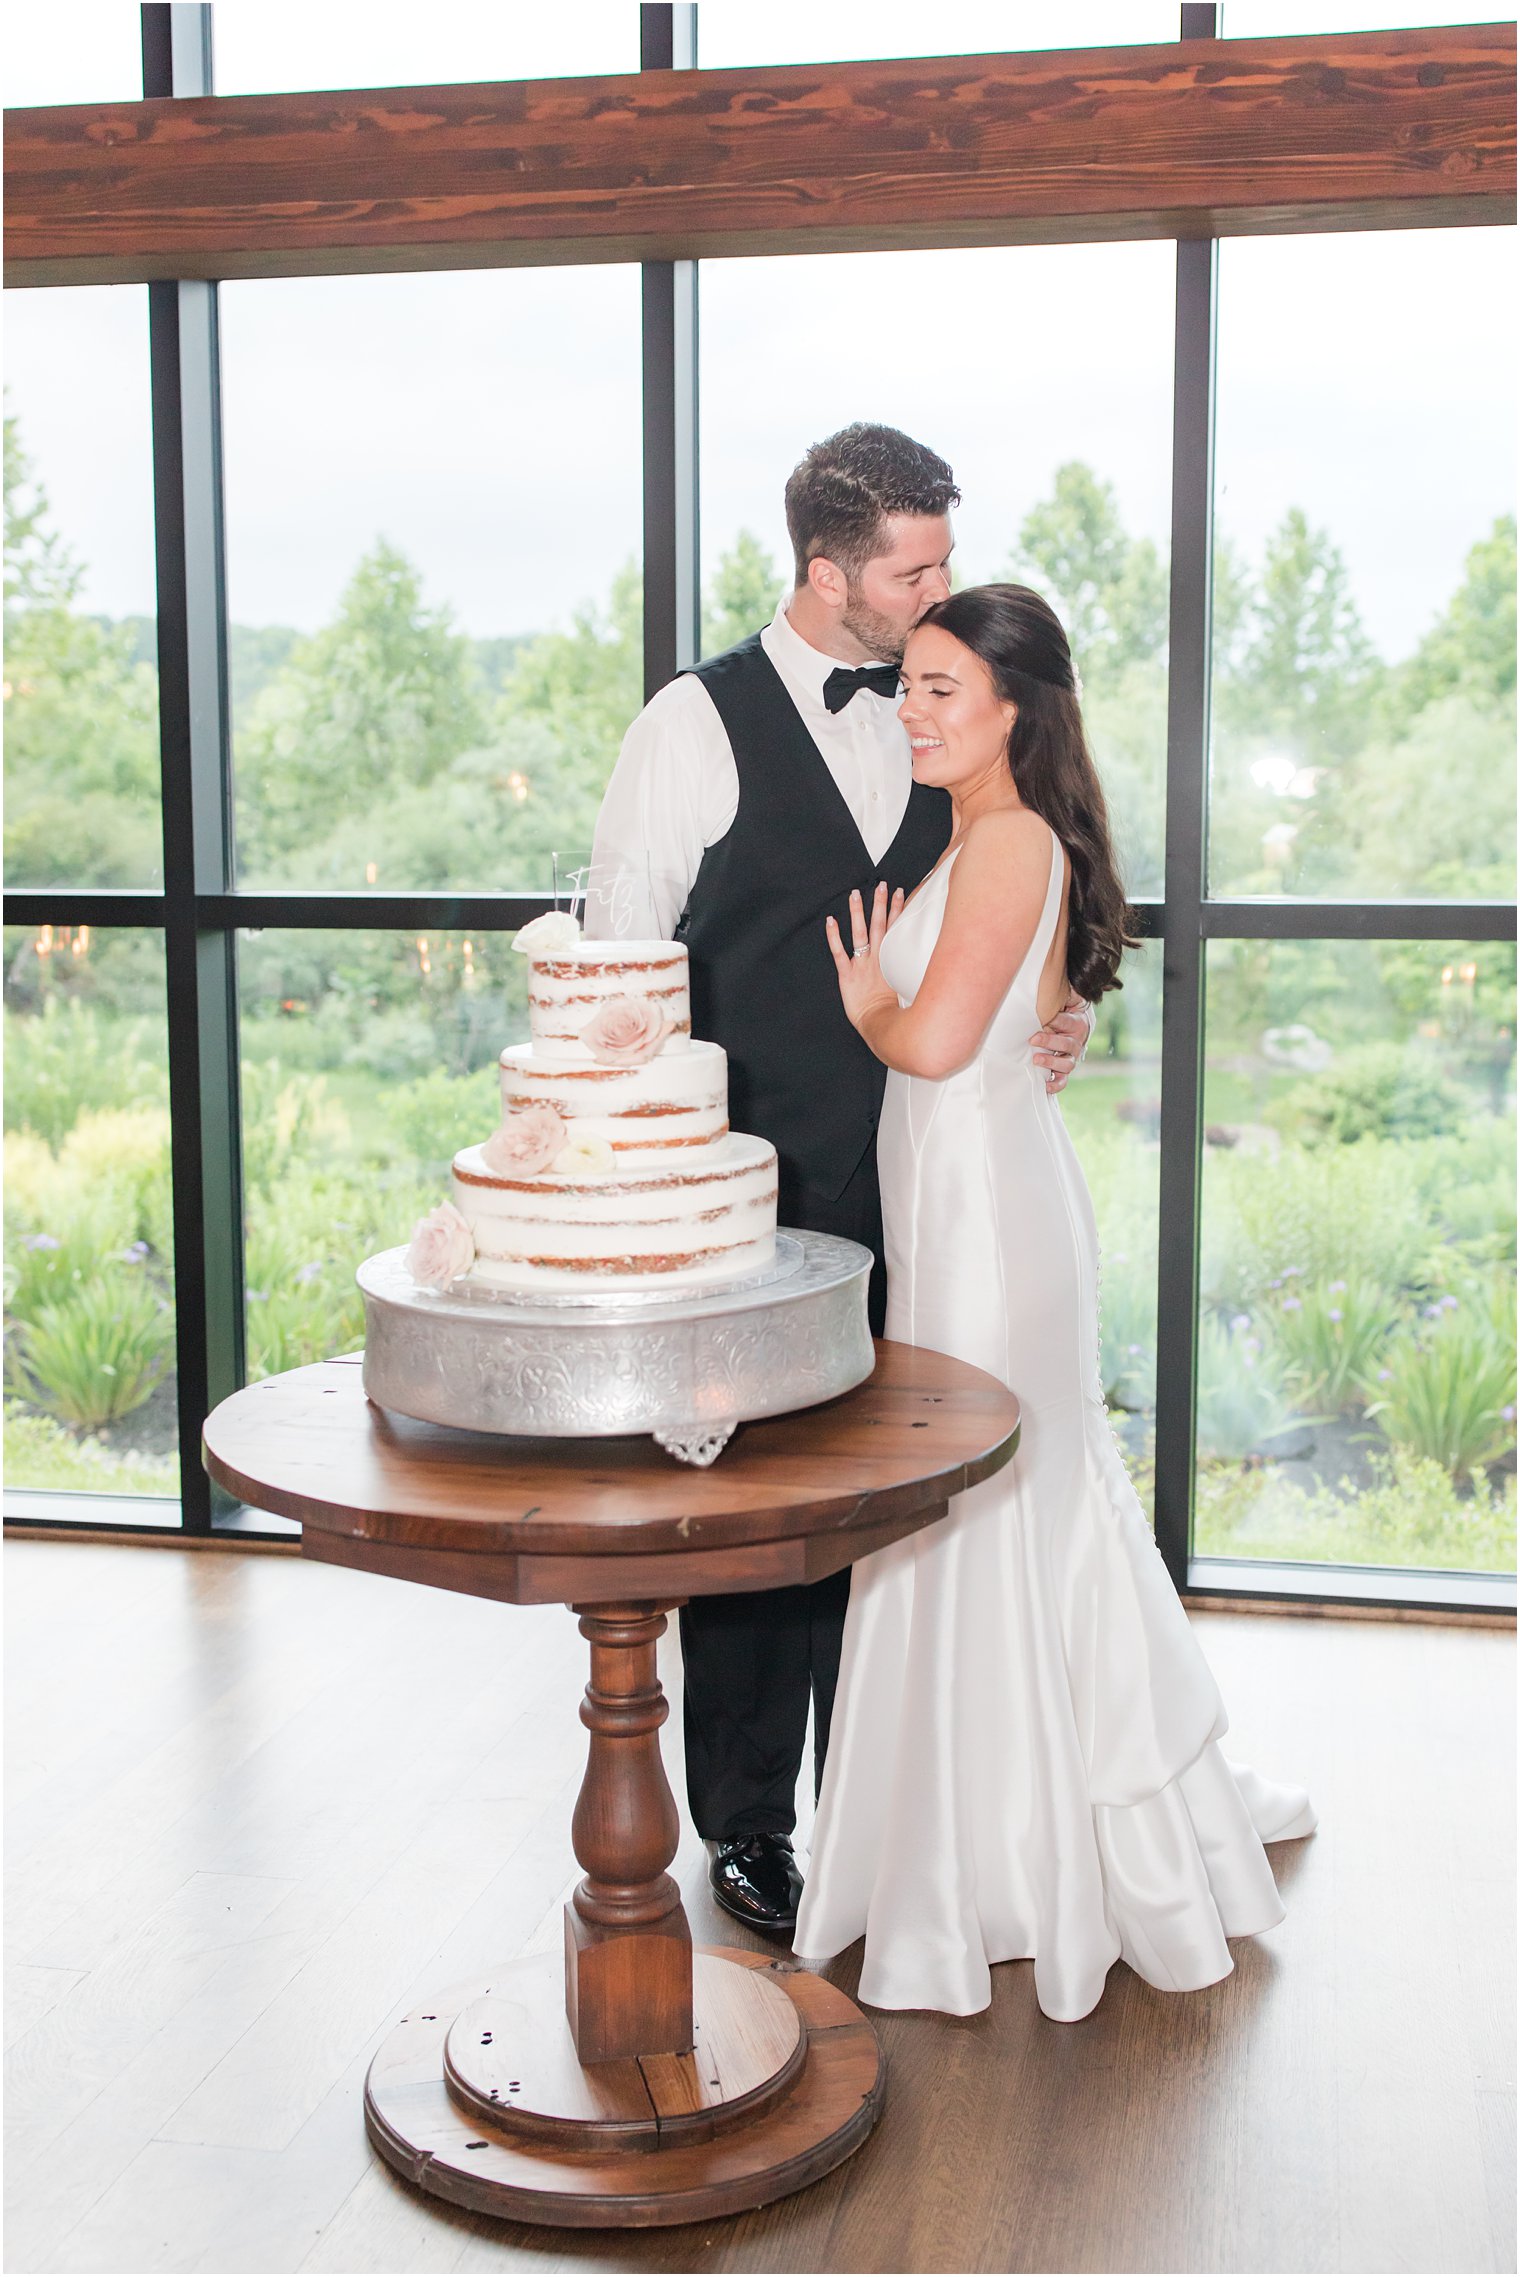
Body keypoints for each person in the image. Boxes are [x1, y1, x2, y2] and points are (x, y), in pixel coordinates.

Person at [584, 427, 1093, 1935]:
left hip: (934, 1192)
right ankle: (747, 1821)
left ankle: (908, 1808)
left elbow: (1003, 908)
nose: (942, 587)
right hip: (764, 1198)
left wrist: (1047, 1014)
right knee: (761, 1528)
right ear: (827, 572)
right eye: (914, 568)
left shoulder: (945, 719)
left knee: (910, 1519)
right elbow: (624, 970)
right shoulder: (689, 723)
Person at [796, 583, 1316, 2021]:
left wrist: (866, 1003)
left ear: (1015, 709)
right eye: (910, 684)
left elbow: (940, 1037)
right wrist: (1029, 1013)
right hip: (959, 1211)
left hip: (987, 1233)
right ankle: (976, 1836)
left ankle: (1022, 1854)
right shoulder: (977, 835)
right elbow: (1014, 1014)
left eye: (944, 688)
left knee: (994, 1506)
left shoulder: (1009, 837)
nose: (914, 707)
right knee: (974, 1510)